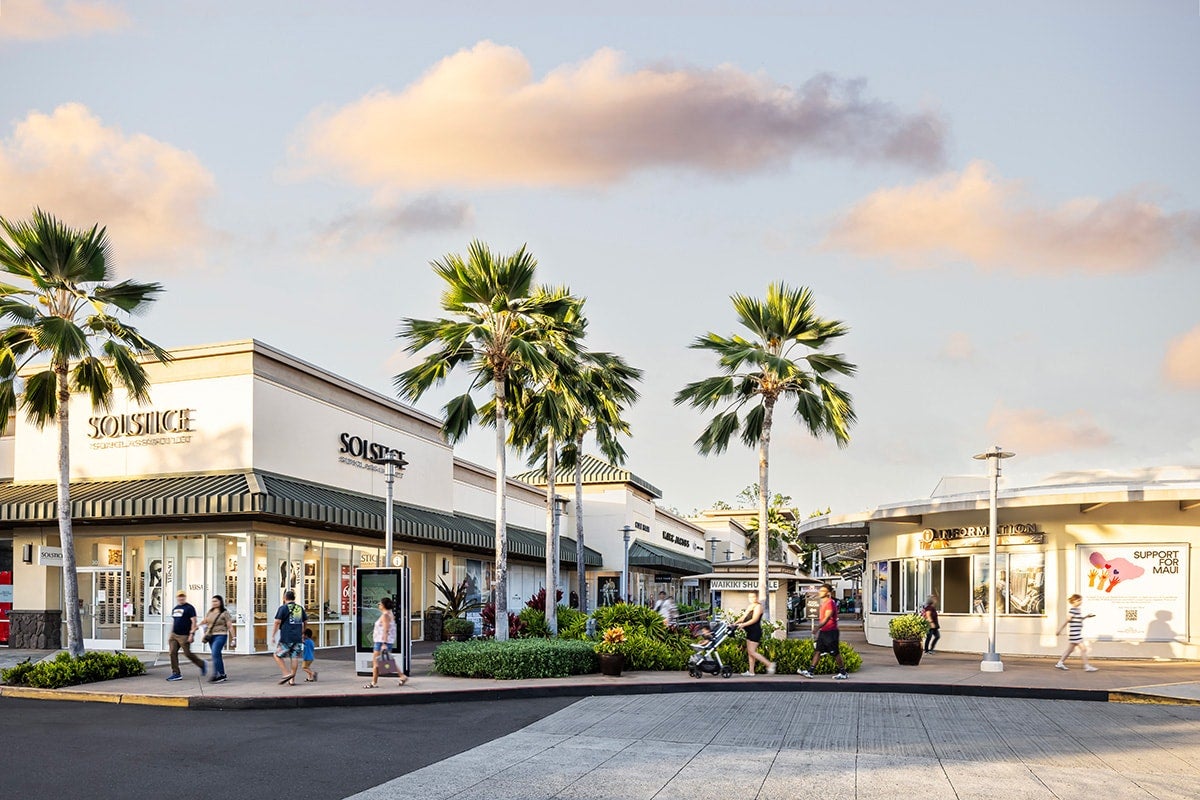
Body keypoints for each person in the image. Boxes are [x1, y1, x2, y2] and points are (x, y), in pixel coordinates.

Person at [800, 584, 849, 680]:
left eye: (823, 590)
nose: (820, 592)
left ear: (828, 593)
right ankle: (810, 671)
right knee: (818, 651)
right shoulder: (823, 603)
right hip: (824, 632)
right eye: (820, 590)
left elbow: (827, 618)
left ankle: (843, 672)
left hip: (831, 632)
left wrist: (817, 627)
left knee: (835, 653)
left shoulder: (830, 603)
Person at [365, 596, 406, 688]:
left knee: (376, 663)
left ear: (383, 605)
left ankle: (373, 683)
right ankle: (402, 676)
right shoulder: (389, 614)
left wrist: (384, 643)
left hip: (381, 642)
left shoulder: (385, 615)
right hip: (384, 642)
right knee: (388, 660)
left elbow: (386, 630)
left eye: (379, 603)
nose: (378, 605)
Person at [733, 592, 776, 676]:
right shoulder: (750, 606)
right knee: (750, 652)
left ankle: (769, 664)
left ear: (757, 597)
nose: (751, 599)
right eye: (750, 597)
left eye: (753, 597)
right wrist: (735, 623)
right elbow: (743, 617)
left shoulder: (758, 607)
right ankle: (751, 671)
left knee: (752, 652)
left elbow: (755, 619)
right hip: (749, 631)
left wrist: (743, 625)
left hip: (755, 631)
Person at [166, 591, 205, 681]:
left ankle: (202, 664)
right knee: (172, 652)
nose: (181, 598)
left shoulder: (189, 608)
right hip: (174, 635)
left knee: (187, 653)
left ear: (185, 597)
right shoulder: (175, 608)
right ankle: (176, 673)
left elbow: (194, 621)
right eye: (179, 596)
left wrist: (192, 634)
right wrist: (171, 634)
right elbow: (174, 622)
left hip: (184, 635)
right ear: (177, 597)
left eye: (183, 596)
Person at [272, 589, 307, 685]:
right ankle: (292, 680)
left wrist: (273, 635)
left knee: (277, 655)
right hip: (297, 637)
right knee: (294, 657)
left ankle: (286, 673)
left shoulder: (283, 608)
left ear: (284, 598)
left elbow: (277, 622)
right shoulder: (299, 608)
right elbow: (304, 622)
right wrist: (302, 632)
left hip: (286, 637)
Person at [1055, 593, 1098, 672]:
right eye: (1078, 600)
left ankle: (1060, 663)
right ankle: (1087, 666)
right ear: (1074, 601)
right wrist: (1060, 630)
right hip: (1075, 634)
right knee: (1083, 649)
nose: (1080, 602)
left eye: (1080, 600)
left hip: (1076, 633)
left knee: (1070, 650)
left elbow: (1079, 619)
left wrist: (1087, 616)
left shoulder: (1077, 610)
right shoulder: (1073, 610)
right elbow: (1068, 620)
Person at [201, 594, 234, 683]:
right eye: (213, 601)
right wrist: (197, 626)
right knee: (216, 655)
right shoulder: (210, 612)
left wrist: (234, 638)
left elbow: (230, 626)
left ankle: (219, 674)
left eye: (216, 601)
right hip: (211, 636)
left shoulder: (224, 612)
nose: (214, 603)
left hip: (221, 635)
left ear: (220, 602)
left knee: (215, 653)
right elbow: (205, 621)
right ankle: (220, 674)